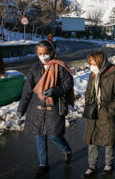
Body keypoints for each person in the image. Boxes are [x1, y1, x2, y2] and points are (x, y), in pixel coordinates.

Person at [17, 40, 74, 177]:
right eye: (40, 54)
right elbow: (27, 90)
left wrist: (55, 90)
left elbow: (68, 84)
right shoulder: (35, 68)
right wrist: (21, 108)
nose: (43, 56)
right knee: (40, 136)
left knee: (55, 135)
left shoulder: (59, 67)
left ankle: (66, 150)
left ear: (52, 52)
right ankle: (43, 164)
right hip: (36, 108)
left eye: (46, 53)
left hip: (53, 107)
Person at [83, 52, 115, 177]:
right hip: (94, 113)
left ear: (100, 62)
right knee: (92, 140)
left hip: (107, 113)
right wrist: (89, 103)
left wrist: (110, 111)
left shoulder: (114, 76)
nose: (91, 65)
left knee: (108, 141)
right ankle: (92, 166)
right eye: (90, 63)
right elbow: (87, 92)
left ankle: (108, 164)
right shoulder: (93, 75)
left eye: (93, 63)